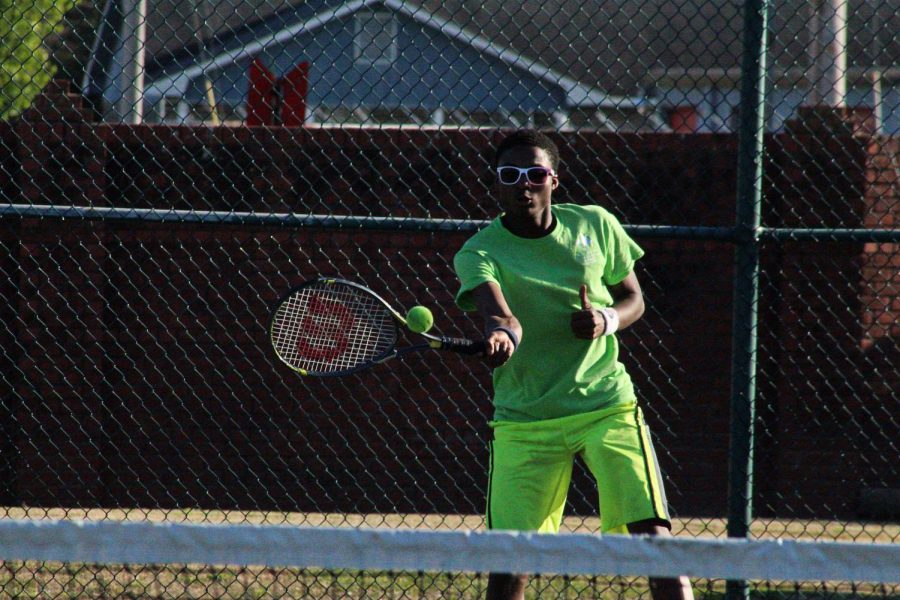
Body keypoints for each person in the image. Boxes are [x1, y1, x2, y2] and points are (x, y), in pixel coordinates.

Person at [453, 130, 694, 600]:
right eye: (511, 175)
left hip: (606, 406)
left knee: (655, 540)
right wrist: (502, 335)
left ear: (554, 181)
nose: (524, 184)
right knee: (509, 565)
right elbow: (501, 315)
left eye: (536, 174)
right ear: (496, 185)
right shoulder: (478, 251)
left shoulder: (596, 225)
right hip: (525, 420)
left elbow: (633, 299)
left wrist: (605, 320)